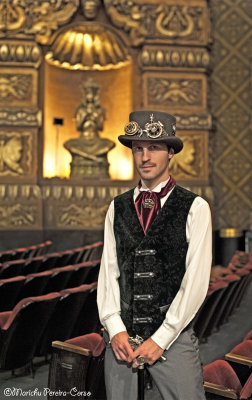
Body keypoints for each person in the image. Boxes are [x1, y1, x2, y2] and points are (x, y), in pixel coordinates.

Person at [97, 110, 212, 400]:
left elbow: (195, 283)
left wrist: (161, 338)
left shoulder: (196, 208)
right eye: (138, 149)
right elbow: (108, 273)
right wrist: (114, 328)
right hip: (122, 336)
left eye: (154, 148)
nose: (144, 157)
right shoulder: (117, 207)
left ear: (171, 151)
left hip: (172, 338)